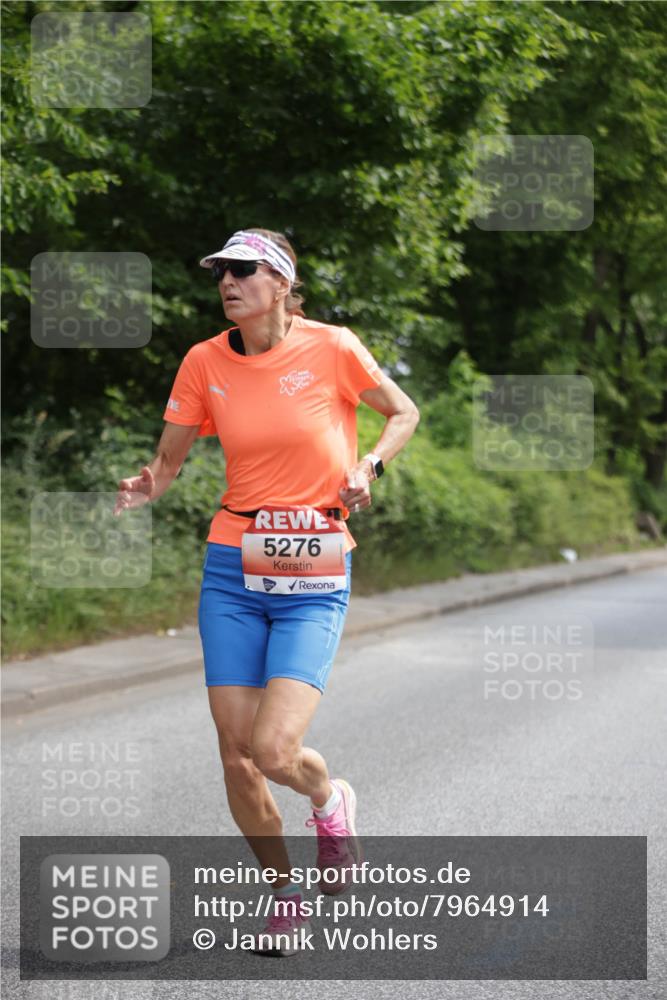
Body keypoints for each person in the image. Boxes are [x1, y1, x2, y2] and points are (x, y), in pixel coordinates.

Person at [114, 227, 419, 955]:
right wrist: (149, 483)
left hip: (314, 566)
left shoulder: (333, 347)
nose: (228, 282)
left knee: (275, 749)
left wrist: (368, 468)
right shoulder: (203, 360)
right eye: (221, 272)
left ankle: (328, 800)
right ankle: (285, 896)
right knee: (235, 753)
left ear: (281, 283)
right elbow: (169, 459)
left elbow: (403, 412)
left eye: (244, 270)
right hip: (233, 566)